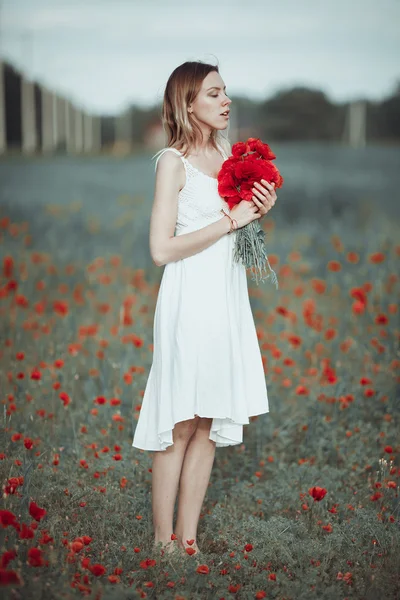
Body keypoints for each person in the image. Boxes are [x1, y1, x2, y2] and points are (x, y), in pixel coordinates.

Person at [131, 60, 278, 558]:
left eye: (226, 93)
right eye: (214, 94)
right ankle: (161, 542)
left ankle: (188, 542)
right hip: (188, 297)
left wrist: (257, 212)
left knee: (210, 423)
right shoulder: (172, 162)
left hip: (226, 298)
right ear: (188, 102)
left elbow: (239, 234)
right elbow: (160, 249)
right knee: (180, 423)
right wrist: (231, 220)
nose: (226, 101)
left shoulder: (229, 156)